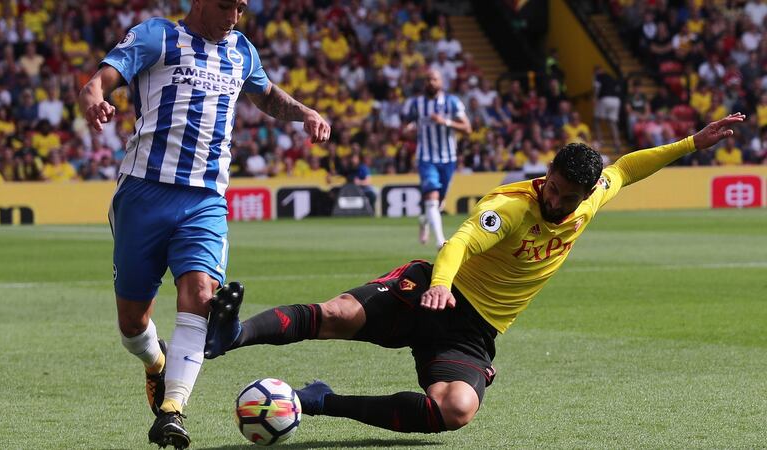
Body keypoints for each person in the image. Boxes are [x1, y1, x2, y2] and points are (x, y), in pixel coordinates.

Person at [203, 114, 744, 434]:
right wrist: (439, 284)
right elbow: (460, 241)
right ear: (547, 173)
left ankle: (320, 400)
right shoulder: (510, 206)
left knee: (456, 410)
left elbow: (627, 167)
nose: (552, 199)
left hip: (473, 330)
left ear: (583, 194)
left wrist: (694, 143)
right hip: (435, 290)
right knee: (337, 314)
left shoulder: (592, 194)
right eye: (550, 186)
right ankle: (232, 335)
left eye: (563, 196)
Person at [78, 1, 330, 448]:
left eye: (240, 7)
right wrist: (95, 100)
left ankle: (172, 411)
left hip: (206, 200)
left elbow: (266, 95)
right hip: (143, 194)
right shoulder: (156, 36)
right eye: (225, 5)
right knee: (133, 324)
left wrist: (305, 112)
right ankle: (155, 363)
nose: (234, 16)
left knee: (199, 295)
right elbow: (98, 82)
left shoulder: (242, 50)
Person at [402, 69, 472, 248]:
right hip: (426, 157)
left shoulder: (452, 102)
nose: (430, 82)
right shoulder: (417, 104)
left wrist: (445, 122)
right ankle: (440, 241)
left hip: (448, 158)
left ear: (441, 82)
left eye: (434, 79)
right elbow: (408, 127)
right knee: (432, 199)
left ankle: (424, 219)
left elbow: (467, 128)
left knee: (438, 203)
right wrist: (408, 130)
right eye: (427, 79)